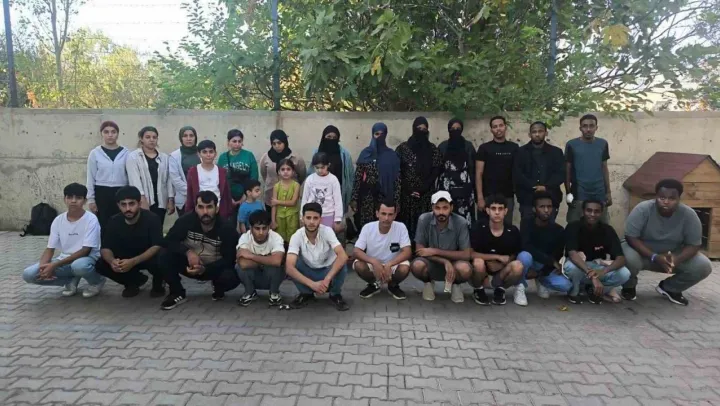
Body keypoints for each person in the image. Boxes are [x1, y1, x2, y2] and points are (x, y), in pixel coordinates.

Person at [621, 179, 712, 306]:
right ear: (656, 197)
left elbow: (694, 244)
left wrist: (676, 260)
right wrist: (655, 257)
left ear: (679, 198)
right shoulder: (643, 209)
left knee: (703, 266)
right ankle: (629, 286)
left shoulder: (689, 215)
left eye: (672, 198)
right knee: (628, 257)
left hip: (672, 255)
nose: (666, 202)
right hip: (642, 253)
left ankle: (670, 288)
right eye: (662, 197)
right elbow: (631, 237)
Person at [159, 191, 241, 310]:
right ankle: (177, 292)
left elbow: (229, 259)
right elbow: (168, 241)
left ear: (217, 209)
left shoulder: (227, 228)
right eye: (201, 207)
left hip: (214, 269)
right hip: (189, 266)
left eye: (209, 207)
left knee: (231, 277)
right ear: (196, 208)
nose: (205, 212)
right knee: (163, 255)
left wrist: (205, 269)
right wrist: (187, 252)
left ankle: (218, 287)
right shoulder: (185, 221)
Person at [22, 183, 105, 298]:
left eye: (78, 198)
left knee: (79, 266)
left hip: (87, 259)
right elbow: (50, 249)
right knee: (29, 274)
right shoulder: (58, 220)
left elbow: (85, 250)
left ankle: (97, 281)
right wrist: (43, 268)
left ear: (85, 201)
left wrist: (54, 265)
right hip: (65, 260)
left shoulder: (91, 219)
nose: (73, 201)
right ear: (64, 199)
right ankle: (69, 281)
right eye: (69, 197)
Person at [95, 186, 165, 298]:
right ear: (118, 205)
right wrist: (112, 261)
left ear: (139, 203)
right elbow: (105, 247)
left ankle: (159, 282)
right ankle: (133, 282)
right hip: (125, 256)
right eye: (123, 204)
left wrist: (133, 261)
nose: (128, 208)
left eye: (131, 204)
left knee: (162, 257)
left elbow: (156, 245)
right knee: (101, 264)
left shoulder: (152, 218)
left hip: (147, 256)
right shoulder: (113, 221)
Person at [411, 191, 474, 303]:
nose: (441, 212)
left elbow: (466, 254)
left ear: (451, 207)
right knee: (417, 265)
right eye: (437, 208)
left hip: (454, 264)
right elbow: (419, 251)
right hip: (432, 262)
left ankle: (456, 284)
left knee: (465, 269)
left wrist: (435, 251)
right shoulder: (423, 219)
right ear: (432, 208)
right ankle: (428, 283)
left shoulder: (461, 222)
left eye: (445, 208)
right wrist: (445, 261)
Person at [563, 200, 630, 304]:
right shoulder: (573, 227)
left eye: (596, 211)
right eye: (589, 210)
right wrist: (591, 274)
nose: (592, 214)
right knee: (571, 268)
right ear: (583, 211)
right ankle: (574, 292)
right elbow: (573, 254)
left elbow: (621, 258)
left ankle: (595, 291)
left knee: (624, 273)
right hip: (579, 266)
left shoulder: (607, 230)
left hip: (597, 267)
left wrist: (604, 271)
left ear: (601, 213)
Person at [286, 203, 350, 311]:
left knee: (341, 263)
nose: (311, 222)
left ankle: (335, 294)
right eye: (308, 218)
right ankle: (306, 293)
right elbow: (289, 267)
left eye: (315, 218)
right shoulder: (296, 236)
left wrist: (327, 280)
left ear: (320, 219)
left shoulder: (327, 231)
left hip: (327, 271)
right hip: (309, 271)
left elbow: (343, 256)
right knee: (293, 263)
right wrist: (312, 285)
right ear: (302, 219)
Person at [470, 195, 531, 306]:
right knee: (478, 263)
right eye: (493, 208)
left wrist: (503, 263)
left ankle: (500, 289)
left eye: (500, 209)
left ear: (505, 211)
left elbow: (515, 253)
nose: (497, 212)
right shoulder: (478, 227)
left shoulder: (512, 231)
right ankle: (478, 289)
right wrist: (497, 257)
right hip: (482, 270)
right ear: (487, 210)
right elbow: (470, 254)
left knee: (518, 266)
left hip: (501, 272)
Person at [353, 199, 412, 300]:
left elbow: (407, 252)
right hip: (373, 264)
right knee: (358, 265)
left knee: (404, 268)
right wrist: (374, 262)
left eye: (390, 214)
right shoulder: (368, 227)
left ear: (395, 215)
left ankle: (392, 285)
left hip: (393, 264)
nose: (386, 218)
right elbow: (356, 251)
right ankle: (374, 285)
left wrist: (389, 264)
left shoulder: (401, 227)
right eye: (383, 214)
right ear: (377, 214)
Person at [396, 117, 443, 240]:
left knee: (425, 225)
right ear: (413, 129)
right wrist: (408, 188)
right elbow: (398, 170)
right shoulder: (403, 148)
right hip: (407, 196)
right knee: (407, 227)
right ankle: (407, 248)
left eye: (424, 129)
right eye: (419, 128)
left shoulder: (433, 149)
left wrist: (423, 188)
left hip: (426, 195)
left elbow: (436, 170)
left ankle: (423, 248)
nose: (421, 131)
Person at [519, 191, 572, 300]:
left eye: (549, 207)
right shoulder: (526, 223)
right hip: (529, 261)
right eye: (542, 207)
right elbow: (526, 246)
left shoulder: (558, 230)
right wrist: (550, 261)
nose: (546, 210)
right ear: (534, 209)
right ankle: (520, 287)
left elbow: (556, 255)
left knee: (566, 285)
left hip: (544, 266)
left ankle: (541, 280)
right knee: (524, 256)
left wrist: (540, 273)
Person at [351, 122, 401, 231]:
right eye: (377, 134)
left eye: (382, 134)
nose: (379, 137)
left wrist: (397, 202)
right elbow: (358, 177)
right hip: (367, 199)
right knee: (368, 228)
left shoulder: (392, 155)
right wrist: (354, 198)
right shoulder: (365, 154)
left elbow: (397, 180)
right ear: (372, 134)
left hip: (385, 198)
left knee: (384, 227)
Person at [514, 121, 565, 222]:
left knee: (549, 229)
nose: (537, 134)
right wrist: (533, 187)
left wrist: (545, 187)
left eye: (540, 131)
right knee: (527, 229)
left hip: (551, 198)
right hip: (527, 200)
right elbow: (518, 174)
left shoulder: (556, 152)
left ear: (546, 133)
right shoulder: (520, 152)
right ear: (529, 134)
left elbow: (561, 174)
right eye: (534, 132)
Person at [565, 114, 611, 223]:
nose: (588, 129)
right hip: (579, 193)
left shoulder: (603, 144)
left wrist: (608, 192)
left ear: (596, 127)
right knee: (575, 225)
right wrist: (568, 194)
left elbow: (604, 168)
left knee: (602, 226)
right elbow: (567, 171)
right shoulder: (571, 144)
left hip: (599, 193)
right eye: (585, 126)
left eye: (591, 126)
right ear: (580, 128)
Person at [125, 126, 175, 227]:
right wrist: (141, 199)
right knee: (143, 228)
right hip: (143, 200)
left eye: (154, 137)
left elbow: (169, 179)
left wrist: (170, 200)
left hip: (161, 201)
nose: (151, 140)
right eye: (148, 137)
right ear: (141, 139)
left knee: (158, 227)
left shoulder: (164, 157)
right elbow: (134, 180)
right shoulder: (133, 156)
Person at [236, 210, 286, 307]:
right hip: (253, 275)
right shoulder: (245, 238)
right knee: (238, 267)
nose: (261, 232)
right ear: (251, 228)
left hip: (271, 275)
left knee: (279, 266)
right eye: (257, 228)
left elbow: (277, 261)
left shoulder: (276, 237)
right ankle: (250, 292)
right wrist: (267, 260)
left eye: (264, 228)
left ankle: (274, 293)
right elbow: (243, 263)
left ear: (269, 227)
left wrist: (251, 256)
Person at [475, 116, 519, 225]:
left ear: (505, 127)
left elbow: (518, 171)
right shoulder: (484, 148)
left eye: (501, 125)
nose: (498, 129)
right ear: (491, 130)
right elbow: (478, 174)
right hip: (487, 195)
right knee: (484, 228)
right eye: (495, 127)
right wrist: (480, 197)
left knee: (506, 227)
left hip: (507, 196)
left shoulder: (514, 148)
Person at [86, 120, 129, 228]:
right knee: (103, 224)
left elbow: (130, 176)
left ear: (117, 134)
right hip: (102, 192)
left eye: (113, 132)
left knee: (121, 223)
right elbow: (90, 177)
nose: (110, 135)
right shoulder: (95, 153)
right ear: (101, 134)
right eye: (106, 132)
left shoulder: (126, 153)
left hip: (121, 191)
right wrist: (91, 199)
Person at [437, 118, 476, 225]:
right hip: (446, 188)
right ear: (448, 129)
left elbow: (473, 168)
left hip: (465, 189)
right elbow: (438, 168)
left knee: (465, 220)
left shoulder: (468, 146)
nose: (455, 130)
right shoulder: (443, 146)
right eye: (453, 128)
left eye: (458, 128)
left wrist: (472, 188)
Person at [258, 129, 307, 211]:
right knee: (271, 218)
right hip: (271, 197)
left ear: (285, 142)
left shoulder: (296, 158)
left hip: (290, 197)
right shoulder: (266, 158)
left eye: (279, 143)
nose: (277, 146)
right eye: (274, 143)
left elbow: (302, 175)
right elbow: (264, 174)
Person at [184, 140, 233, 219]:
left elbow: (227, 194)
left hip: (219, 210)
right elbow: (190, 194)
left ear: (215, 154)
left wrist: (228, 211)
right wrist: (189, 212)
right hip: (200, 211)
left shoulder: (222, 171)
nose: (208, 155)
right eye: (204, 152)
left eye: (211, 152)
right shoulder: (193, 171)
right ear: (198, 154)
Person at [311, 125, 354, 212]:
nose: (331, 139)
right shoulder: (317, 152)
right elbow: (311, 172)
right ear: (323, 137)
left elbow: (350, 175)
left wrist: (350, 196)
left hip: (339, 192)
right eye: (329, 137)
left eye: (334, 137)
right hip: (319, 192)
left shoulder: (344, 154)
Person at [217, 129, 259, 211]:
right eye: (234, 141)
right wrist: (228, 197)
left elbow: (254, 177)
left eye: (239, 141)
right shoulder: (223, 157)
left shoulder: (249, 155)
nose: (237, 144)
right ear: (228, 142)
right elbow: (220, 179)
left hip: (247, 197)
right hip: (227, 198)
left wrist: (246, 195)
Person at [302, 152, 344, 232]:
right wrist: (302, 215)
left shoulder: (333, 180)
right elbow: (305, 198)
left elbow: (338, 200)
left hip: (328, 215)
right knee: (313, 235)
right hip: (312, 215)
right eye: (317, 167)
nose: (320, 170)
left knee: (327, 236)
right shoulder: (310, 179)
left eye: (322, 167)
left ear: (328, 165)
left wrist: (338, 219)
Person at [169, 126, 201, 216]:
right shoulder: (174, 156)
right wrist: (192, 192)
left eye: (191, 135)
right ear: (181, 138)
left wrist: (200, 193)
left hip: (202, 198)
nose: (188, 138)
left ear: (195, 137)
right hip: (184, 200)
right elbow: (175, 179)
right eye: (185, 136)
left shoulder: (202, 152)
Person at [271, 158, 301, 243]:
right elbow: (273, 205)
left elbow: (293, 202)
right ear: (278, 172)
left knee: (292, 239)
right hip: (279, 216)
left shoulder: (296, 185)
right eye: (283, 169)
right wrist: (273, 221)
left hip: (292, 216)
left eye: (288, 169)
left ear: (293, 171)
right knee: (280, 239)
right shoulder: (276, 186)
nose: (285, 172)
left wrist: (277, 201)